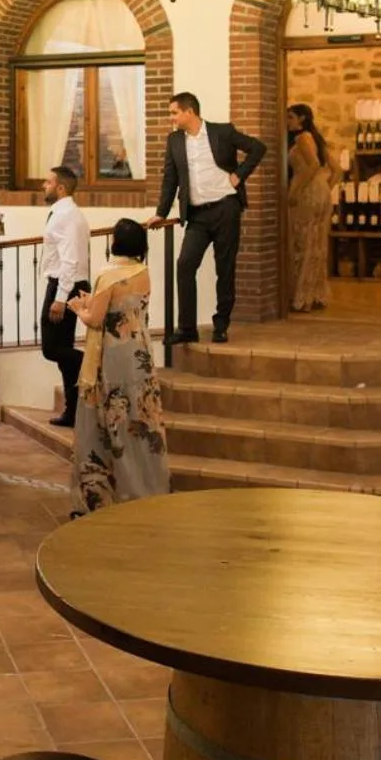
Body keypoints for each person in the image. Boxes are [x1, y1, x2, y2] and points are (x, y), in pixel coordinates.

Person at [148, 91, 267, 345]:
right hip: (198, 215)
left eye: (174, 112)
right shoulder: (175, 141)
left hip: (226, 209)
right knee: (185, 265)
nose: (171, 117)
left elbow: (258, 148)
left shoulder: (222, 132)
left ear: (189, 112)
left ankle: (221, 325)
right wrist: (161, 212)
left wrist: (239, 175)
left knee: (225, 270)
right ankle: (187, 328)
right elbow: (170, 179)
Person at [66, 219, 168, 514]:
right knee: (139, 419)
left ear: (115, 243)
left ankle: (102, 497)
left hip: (111, 359)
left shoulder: (107, 275)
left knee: (106, 422)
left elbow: (96, 320)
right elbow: (126, 311)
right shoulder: (143, 271)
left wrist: (79, 308)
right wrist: (94, 304)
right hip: (139, 354)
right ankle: (147, 486)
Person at [40, 167, 91, 427]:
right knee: (62, 353)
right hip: (64, 283)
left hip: (65, 285)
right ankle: (73, 411)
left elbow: (70, 260)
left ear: (60, 188)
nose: (43, 185)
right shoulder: (64, 213)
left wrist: (60, 298)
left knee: (53, 349)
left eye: (48, 182)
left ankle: (92, 364)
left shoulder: (67, 216)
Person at [286, 104, 336, 312]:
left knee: (303, 242)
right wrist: (324, 188)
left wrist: (296, 190)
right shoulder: (316, 138)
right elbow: (338, 171)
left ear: (302, 118)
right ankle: (314, 294)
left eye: (290, 117)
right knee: (316, 243)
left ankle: (302, 296)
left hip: (306, 191)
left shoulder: (302, 138)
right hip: (320, 191)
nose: (287, 122)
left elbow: (314, 165)